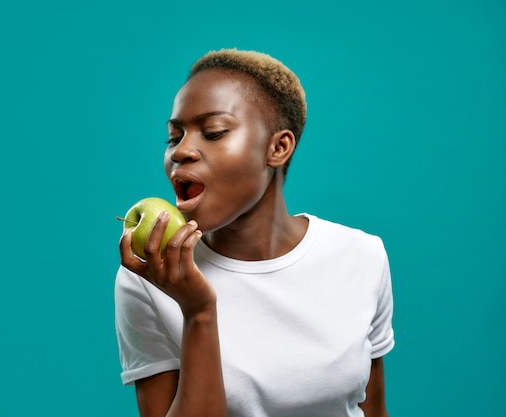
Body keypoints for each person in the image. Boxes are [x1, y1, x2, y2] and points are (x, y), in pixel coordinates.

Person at [115, 48, 395, 417]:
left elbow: (372, 409)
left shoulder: (361, 255)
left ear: (278, 147)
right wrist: (198, 312)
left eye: (212, 132)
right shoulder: (151, 276)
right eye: (174, 136)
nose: (181, 151)